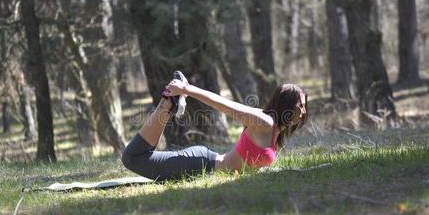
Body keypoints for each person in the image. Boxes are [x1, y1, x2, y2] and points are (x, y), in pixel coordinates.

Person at [121, 71, 308, 181]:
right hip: (198, 165)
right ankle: (168, 103)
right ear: (287, 104)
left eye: (304, 105)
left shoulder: (276, 131)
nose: (303, 111)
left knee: (138, 157)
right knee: (132, 158)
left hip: (204, 163)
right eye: (300, 105)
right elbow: (225, 105)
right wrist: (187, 89)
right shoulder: (264, 122)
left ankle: (171, 103)